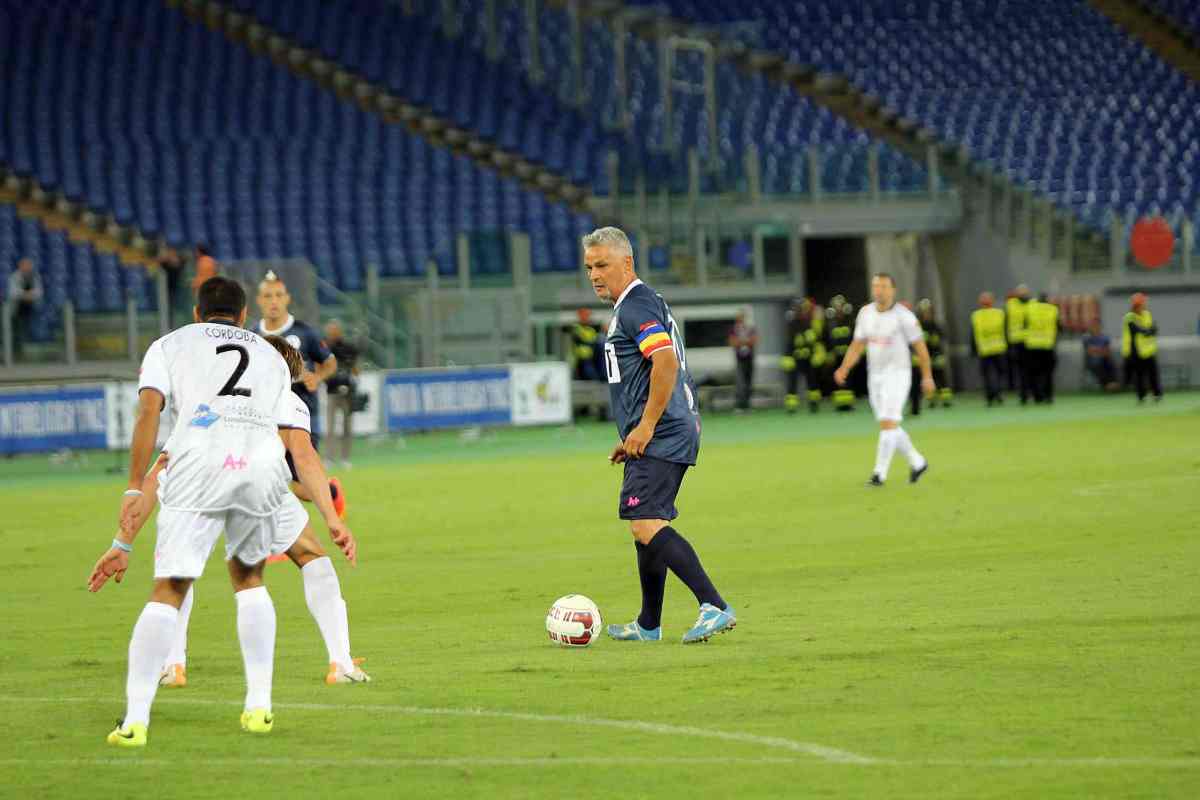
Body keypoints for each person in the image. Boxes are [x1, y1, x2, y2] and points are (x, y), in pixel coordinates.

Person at [87, 276, 355, 747]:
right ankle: (258, 706)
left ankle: (136, 719)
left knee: (169, 586)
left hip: (197, 464)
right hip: (259, 469)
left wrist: (124, 528)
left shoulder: (171, 345)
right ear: (246, 313)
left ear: (196, 312)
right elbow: (304, 452)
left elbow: (150, 413)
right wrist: (334, 518)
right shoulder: (271, 358)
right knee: (250, 580)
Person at [123, 335, 369, 690]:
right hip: (257, 480)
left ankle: (173, 664)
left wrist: (123, 540)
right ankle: (340, 663)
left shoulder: (208, 396)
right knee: (309, 557)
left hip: (200, 482)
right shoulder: (287, 397)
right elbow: (303, 455)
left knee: (179, 570)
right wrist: (332, 519)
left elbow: (164, 461)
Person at [582, 226, 735, 644]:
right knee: (644, 522)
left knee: (645, 521)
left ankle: (714, 605)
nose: (595, 275)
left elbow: (664, 361)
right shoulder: (638, 304)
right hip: (661, 428)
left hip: (663, 430)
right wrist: (634, 429)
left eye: (602, 265)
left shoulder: (634, 306)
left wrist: (646, 426)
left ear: (626, 263)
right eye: (590, 267)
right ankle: (649, 623)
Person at [254, 271, 345, 514]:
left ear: (287, 299)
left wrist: (317, 377)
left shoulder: (305, 332)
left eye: (278, 295)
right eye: (268, 296)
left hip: (301, 415)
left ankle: (331, 490)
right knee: (264, 477)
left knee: (303, 489)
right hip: (265, 418)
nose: (273, 301)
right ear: (259, 300)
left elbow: (330, 363)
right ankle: (274, 543)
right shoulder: (252, 335)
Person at [832, 274, 933, 487]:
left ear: (893, 290)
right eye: (876, 286)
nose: (879, 290)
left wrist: (927, 376)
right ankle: (918, 462)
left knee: (888, 423)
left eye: (884, 286)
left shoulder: (904, 316)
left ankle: (879, 474)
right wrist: (844, 367)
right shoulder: (865, 313)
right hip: (874, 375)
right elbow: (858, 345)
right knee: (889, 425)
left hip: (898, 374)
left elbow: (921, 349)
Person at [323, 320, 361, 467]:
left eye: (334, 330)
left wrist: (353, 376)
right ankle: (329, 458)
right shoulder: (324, 347)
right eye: (330, 330)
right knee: (330, 426)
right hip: (331, 391)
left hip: (348, 391)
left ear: (339, 331)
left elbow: (356, 368)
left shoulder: (348, 347)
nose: (332, 333)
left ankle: (345, 458)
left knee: (347, 425)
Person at [1122, 293, 1163, 403]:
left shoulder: (1147, 314)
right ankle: (1141, 396)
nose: (1143, 306)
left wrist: (1151, 330)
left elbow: (1152, 328)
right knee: (1139, 375)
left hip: (1149, 350)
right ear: (1135, 306)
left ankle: (1157, 395)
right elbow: (1138, 330)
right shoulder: (1129, 317)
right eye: (1141, 304)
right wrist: (1149, 331)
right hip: (1136, 351)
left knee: (1153, 373)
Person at [970, 292, 1008, 405]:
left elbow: (972, 334)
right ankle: (998, 393)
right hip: (999, 348)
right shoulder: (999, 313)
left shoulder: (976, 315)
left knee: (987, 375)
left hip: (984, 349)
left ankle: (990, 396)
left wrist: (973, 349)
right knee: (1000, 373)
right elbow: (1005, 331)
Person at [1024, 293, 1059, 404]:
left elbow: (1025, 325)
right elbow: (1059, 326)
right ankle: (1048, 396)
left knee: (1033, 374)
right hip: (1047, 345)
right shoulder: (1053, 309)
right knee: (1047, 373)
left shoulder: (1029, 308)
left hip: (1032, 345)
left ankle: (1037, 396)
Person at [5, 258, 43, 359]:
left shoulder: (35, 277)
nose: (27, 268)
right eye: (24, 265)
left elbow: (39, 293)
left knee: (27, 329)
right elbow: (12, 293)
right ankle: (16, 352)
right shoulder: (14, 277)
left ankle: (25, 351)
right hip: (16, 309)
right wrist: (27, 295)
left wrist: (26, 295)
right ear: (20, 266)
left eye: (28, 266)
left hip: (30, 308)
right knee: (17, 331)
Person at [728, 309, 758, 413]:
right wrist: (744, 342)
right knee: (740, 382)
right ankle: (739, 405)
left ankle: (747, 405)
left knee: (749, 381)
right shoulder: (734, 329)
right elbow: (732, 342)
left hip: (749, 358)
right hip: (740, 359)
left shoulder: (749, 328)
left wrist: (743, 342)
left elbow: (755, 340)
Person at [827, 303, 856, 411]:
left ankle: (848, 403)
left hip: (847, 356)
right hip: (836, 357)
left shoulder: (849, 323)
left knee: (849, 379)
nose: (839, 312)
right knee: (837, 380)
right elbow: (829, 341)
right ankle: (839, 403)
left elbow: (853, 340)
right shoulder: (832, 325)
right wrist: (830, 354)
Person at [1005, 284, 1031, 403]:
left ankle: (1026, 393)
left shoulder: (1010, 305)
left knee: (1024, 370)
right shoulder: (1031, 304)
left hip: (1024, 342)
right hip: (1021, 342)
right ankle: (1026, 393)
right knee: (1023, 370)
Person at [1082, 321, 1120, 392]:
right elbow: (1090, 351)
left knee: (1110, 363)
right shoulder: (1086, 338)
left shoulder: (1105, 338)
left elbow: (1107, 351)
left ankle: (1114, 383)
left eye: (1097, 327)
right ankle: (1107, 385)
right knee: (1098, 364)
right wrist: (1101, 351)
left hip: (1104, 359)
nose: (1095, 328)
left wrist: (1096, 350)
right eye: (1093, 327)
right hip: (1092, 361)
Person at [569, 307, 603, 381]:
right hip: (579, 359)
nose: (587, 317)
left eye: (588, 315)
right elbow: (579, 340)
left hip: (592, 358)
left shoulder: (593, 328)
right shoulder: (576, 327)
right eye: (585, 315)